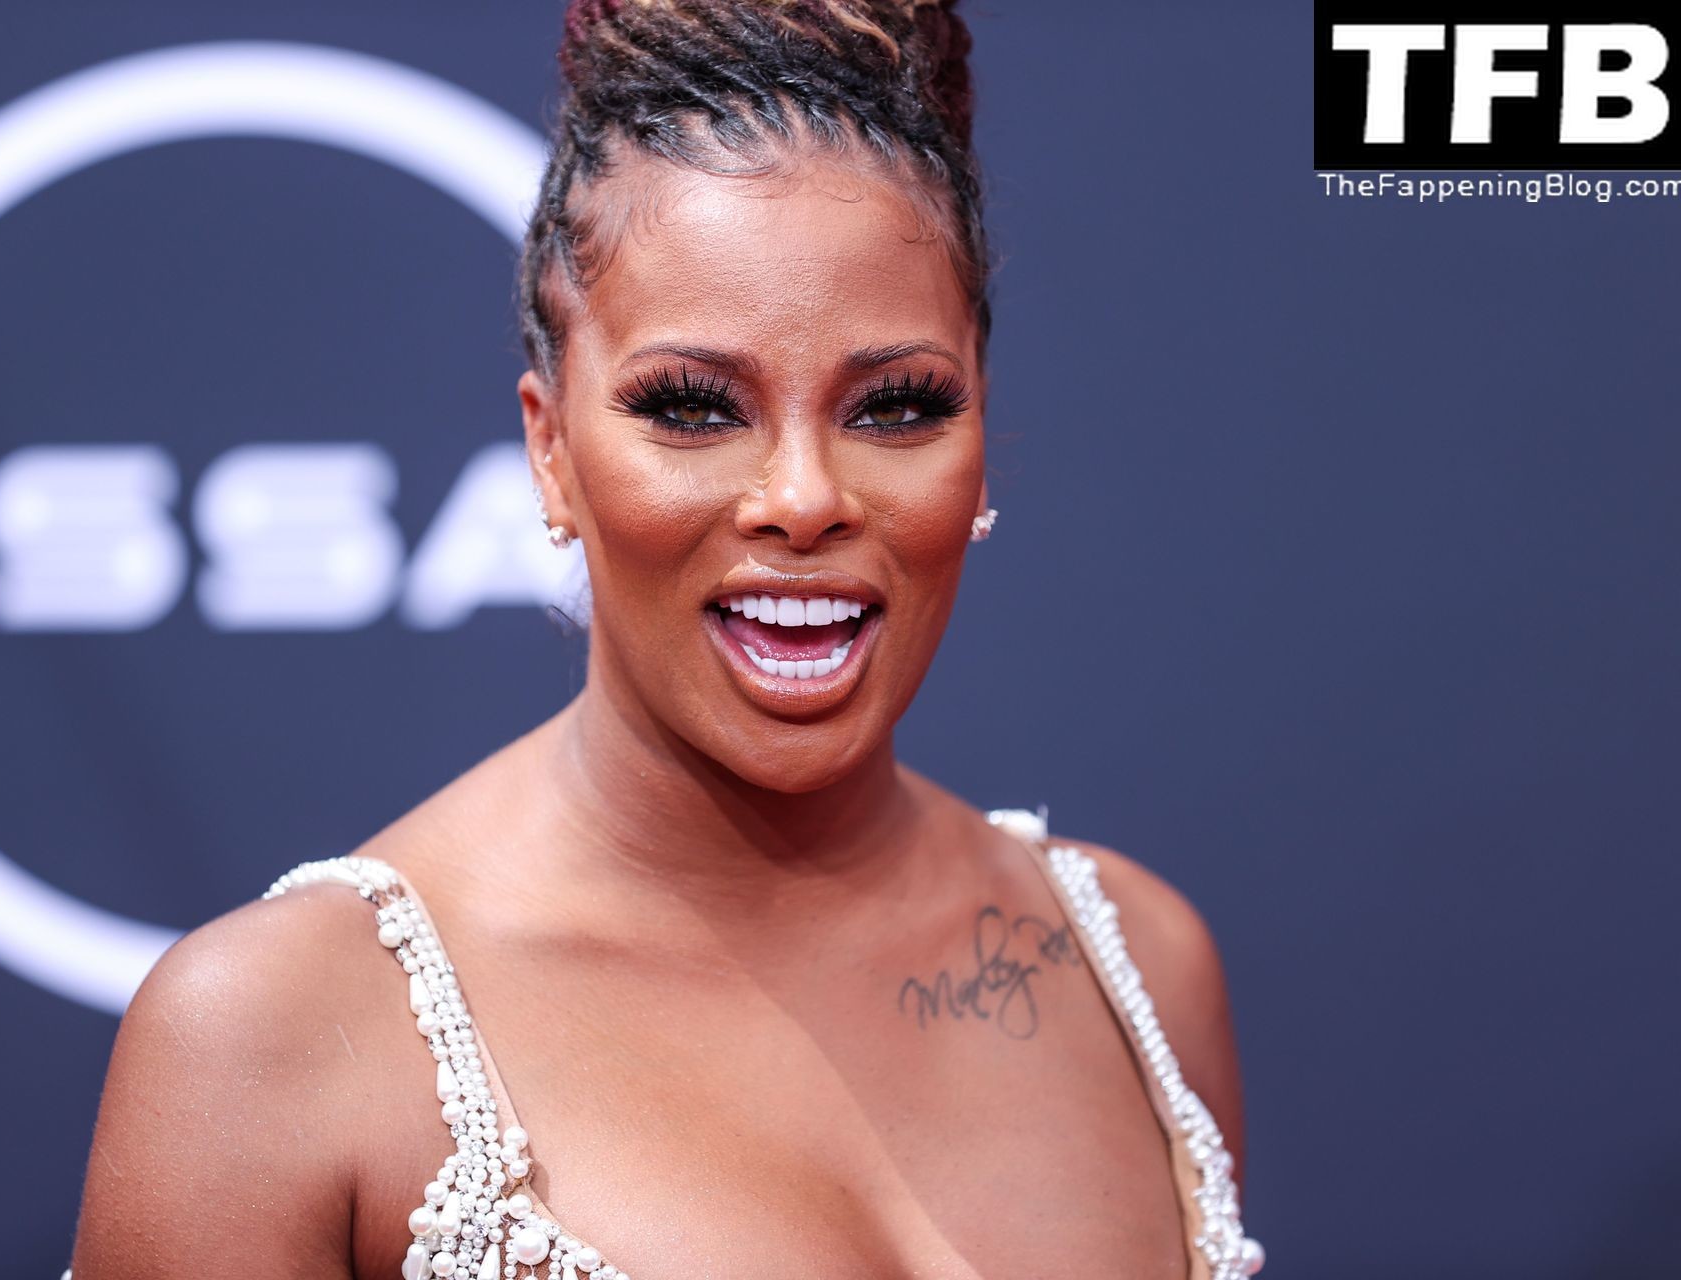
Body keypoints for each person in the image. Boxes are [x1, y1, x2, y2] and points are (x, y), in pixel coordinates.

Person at [67, 2, 1264, 1277]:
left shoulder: (1140, 964)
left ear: (980, 430)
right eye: (693, 407)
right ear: (550, 447)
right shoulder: (272, 1038)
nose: (803, 497)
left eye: (896, 406)